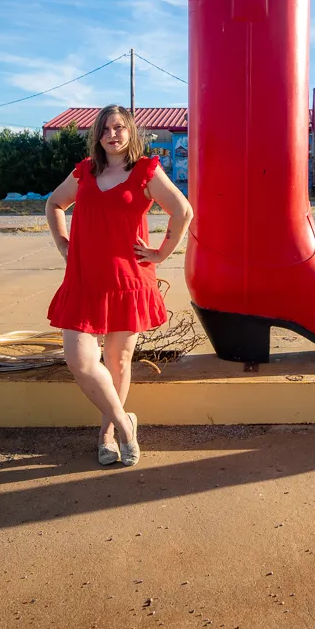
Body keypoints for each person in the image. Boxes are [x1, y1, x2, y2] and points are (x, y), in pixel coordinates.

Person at [45, 105, 193, 466]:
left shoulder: (146, 171)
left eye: (119, 127)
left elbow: (182, 210)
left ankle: (107, 434)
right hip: (84, 280)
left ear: (130, 133)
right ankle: (126, 425)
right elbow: (54, 204)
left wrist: (160, 254)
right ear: (97, 136)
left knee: (118, 359)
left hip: (128, 279)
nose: (113, 134)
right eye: (106, 129)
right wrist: (64, 244)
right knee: (79, 360)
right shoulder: (84, 172)